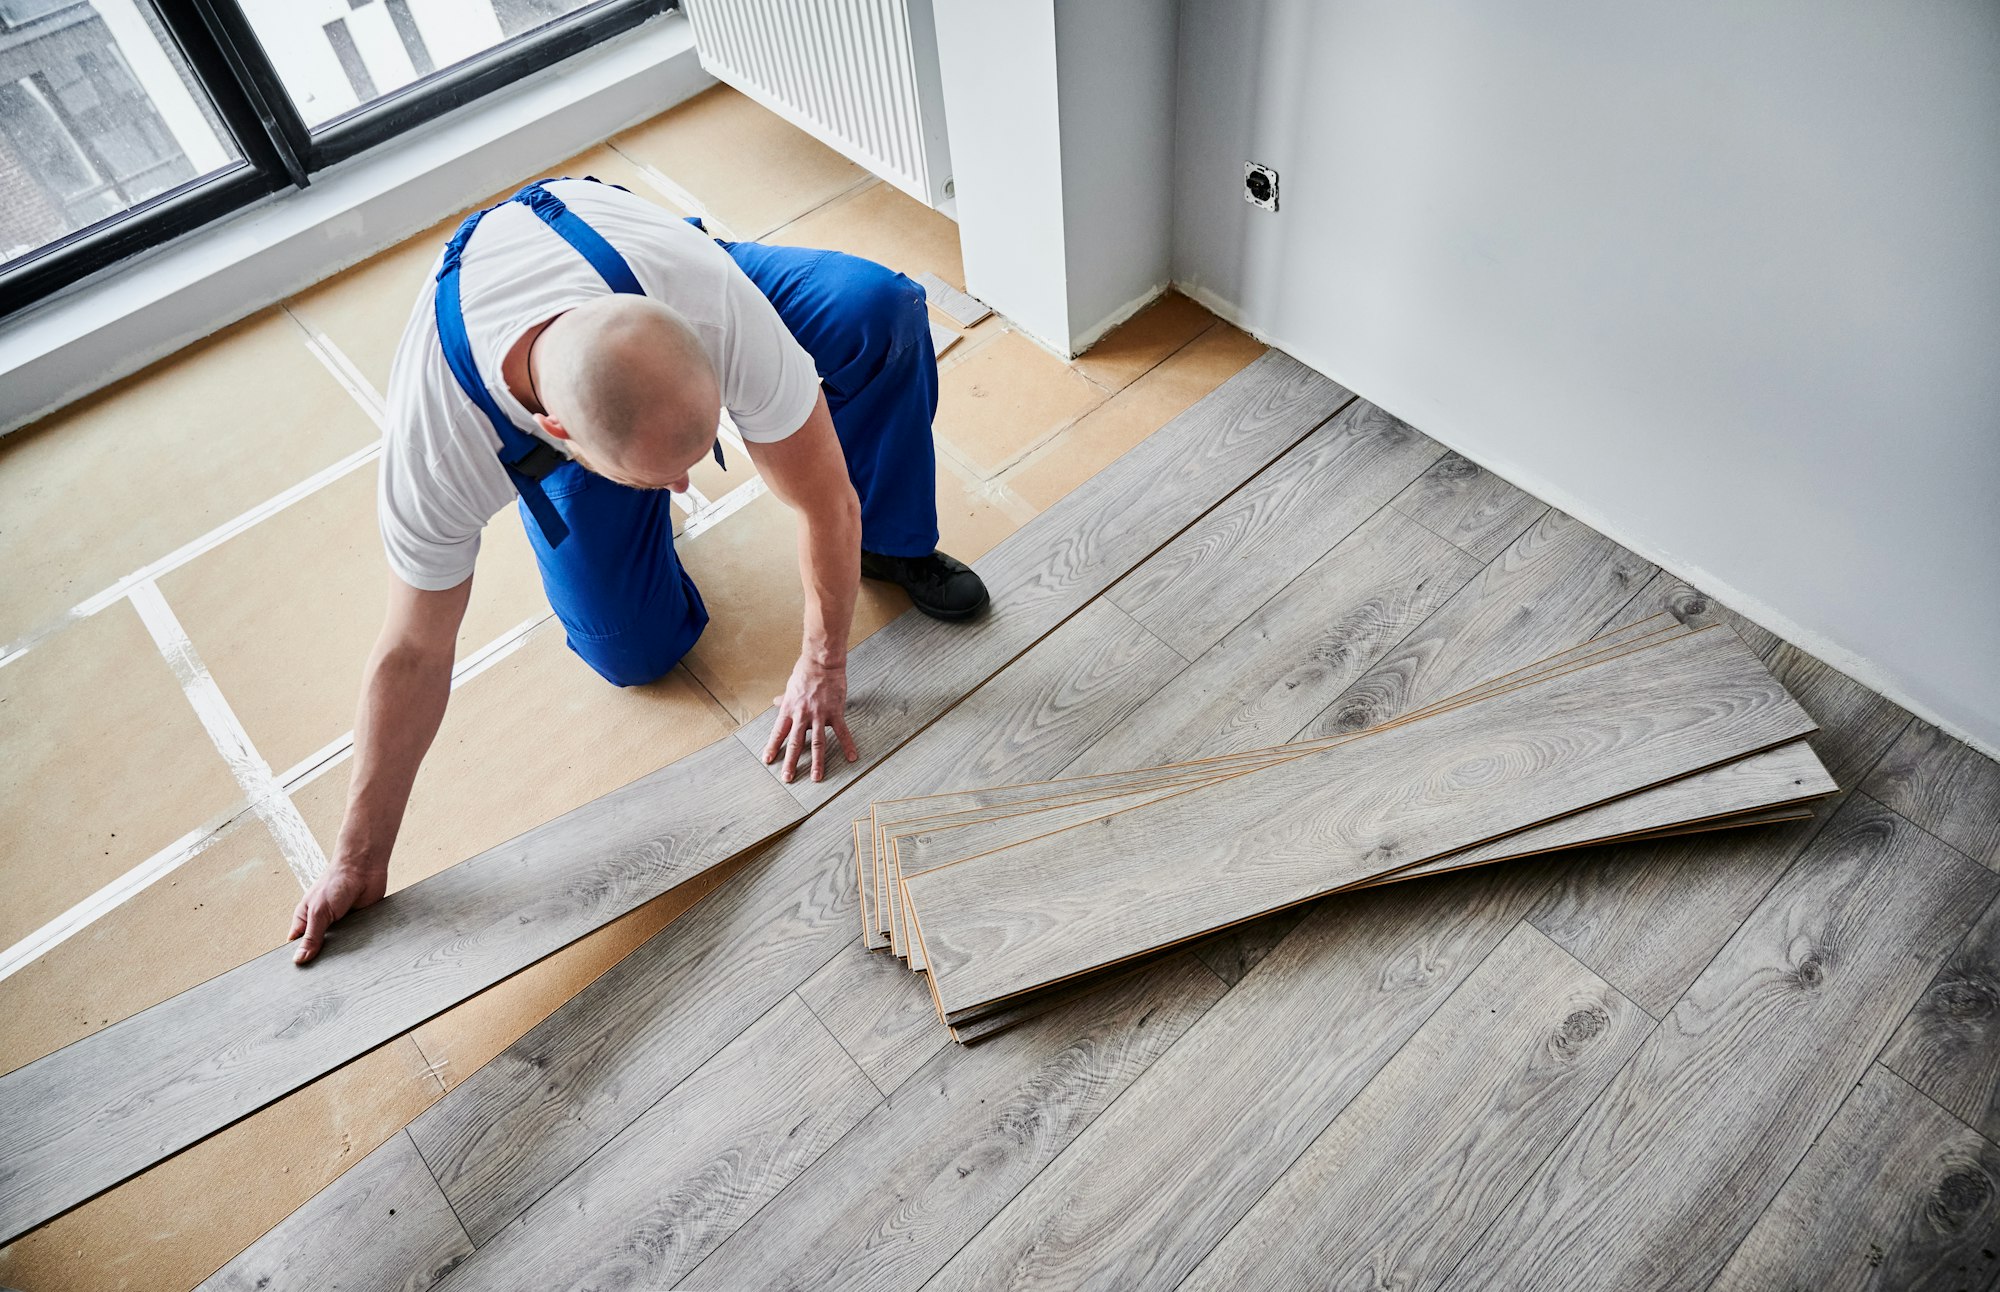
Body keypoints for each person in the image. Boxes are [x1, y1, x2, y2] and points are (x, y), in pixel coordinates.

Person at [287, 175, 988, 964]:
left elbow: (825, 502)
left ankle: (893, 541)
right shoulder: (438, 444)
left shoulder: (710, 299)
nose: (691, 488)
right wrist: (356, 857)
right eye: (667, 477)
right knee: (634, 648)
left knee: (876, 311)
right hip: (543, 401)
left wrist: (823, 661)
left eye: (695, 457)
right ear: (557, 431)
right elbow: (413, 651)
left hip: (653, 281)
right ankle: (591, 496)